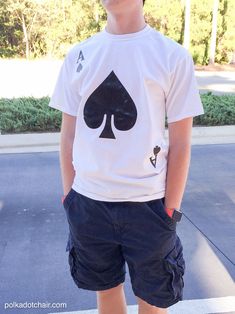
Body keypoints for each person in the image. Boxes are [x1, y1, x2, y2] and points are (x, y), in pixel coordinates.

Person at [48, 0, 204, 313]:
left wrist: (170, 209)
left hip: (149, 206)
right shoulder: (79, 55)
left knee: (153, 302)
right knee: (105, 294)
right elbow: (67, 135)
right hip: (88, 204)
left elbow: (181, 143)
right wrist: (70, 197)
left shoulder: (172, 56)